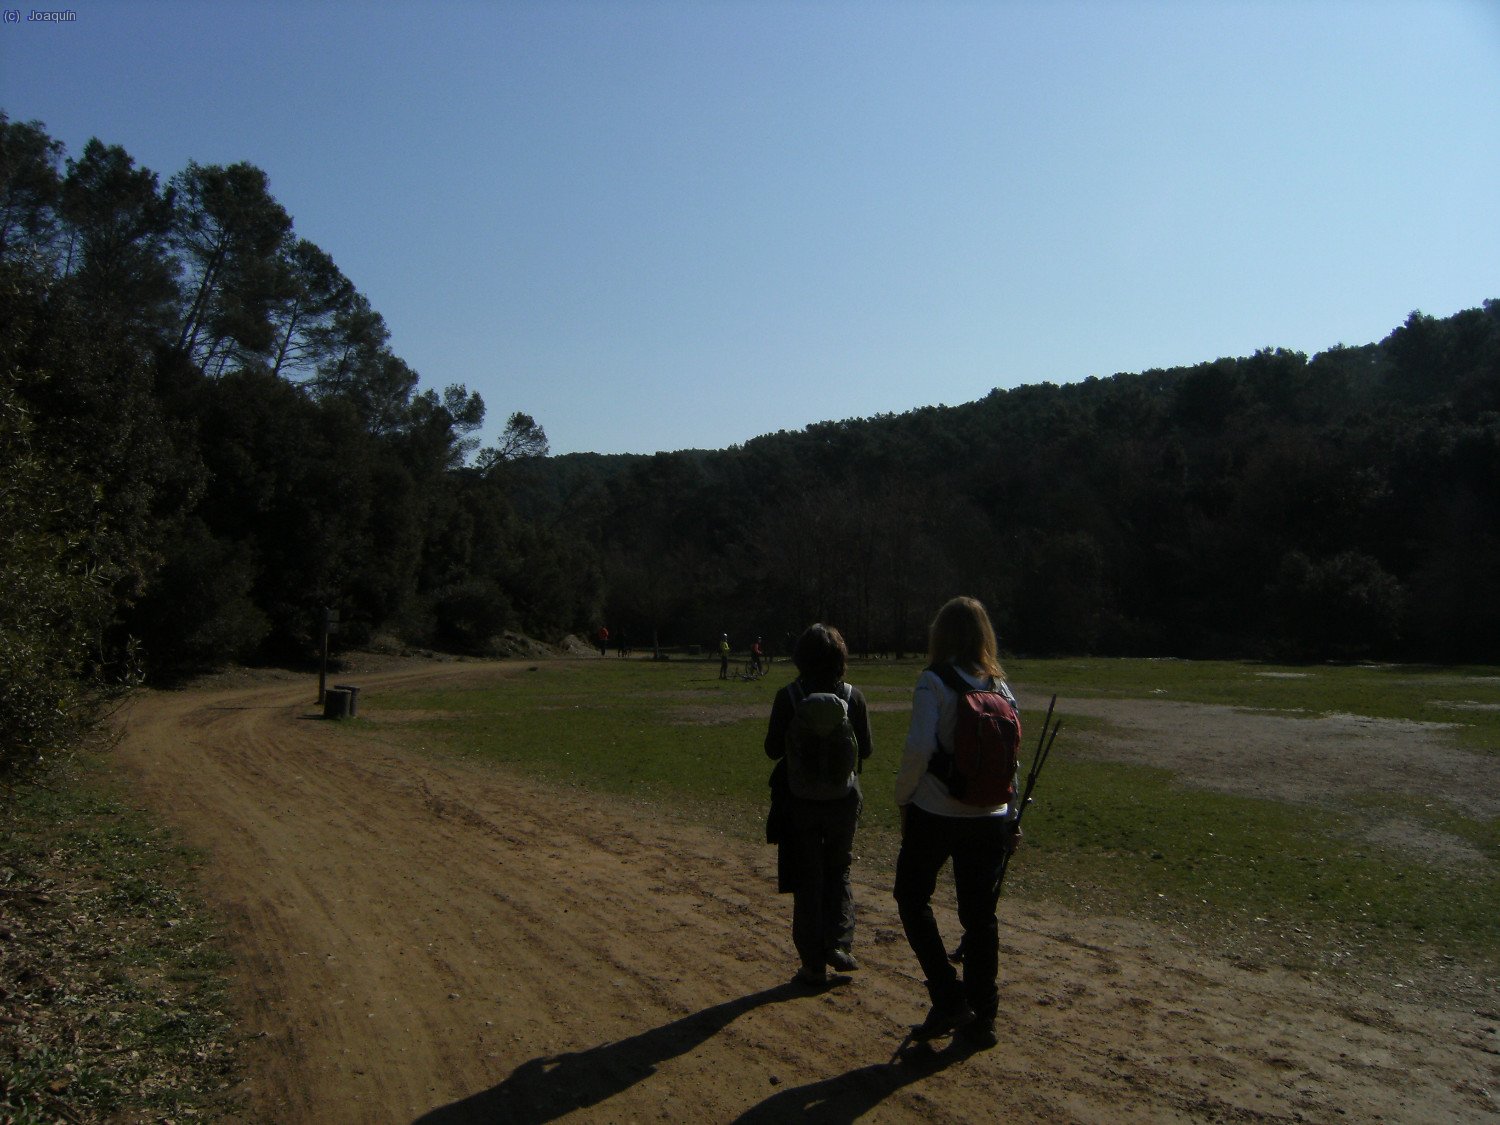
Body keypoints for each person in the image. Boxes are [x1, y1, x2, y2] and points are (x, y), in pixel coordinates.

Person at [893, 596, 1020, 1049]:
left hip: (937, 812)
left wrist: (902, 798)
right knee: (979, 918)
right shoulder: (1001, 687)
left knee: (911, 897)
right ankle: (983, 1017)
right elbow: (1011, 762)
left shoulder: (935, 682)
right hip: (990, 816)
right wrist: (1012, 814)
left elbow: (917, 750)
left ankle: (947, 995)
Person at [763, 624, 873, 985]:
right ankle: (839, 944)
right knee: (839, 869)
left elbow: (772, 750)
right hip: (843, 802)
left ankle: (812, 966)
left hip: (799, 802)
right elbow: (866, 752)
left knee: (807, 877)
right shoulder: (854, 697)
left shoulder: (789, 696)